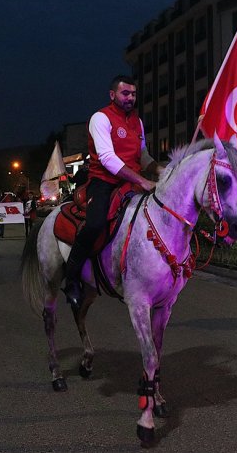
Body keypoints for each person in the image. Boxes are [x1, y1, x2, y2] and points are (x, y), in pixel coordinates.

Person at [63, 75, 164, 310]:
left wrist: (162, 170)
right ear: (113, 95)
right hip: (104, 181)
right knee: (95, 224)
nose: (130, 98)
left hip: (133, 183)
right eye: (125, 93)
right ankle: (72, 278)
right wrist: (143, 181)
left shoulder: (137, 122)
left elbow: (143, 156)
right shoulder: (100, 118)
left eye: (133, 94)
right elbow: (107, 159)